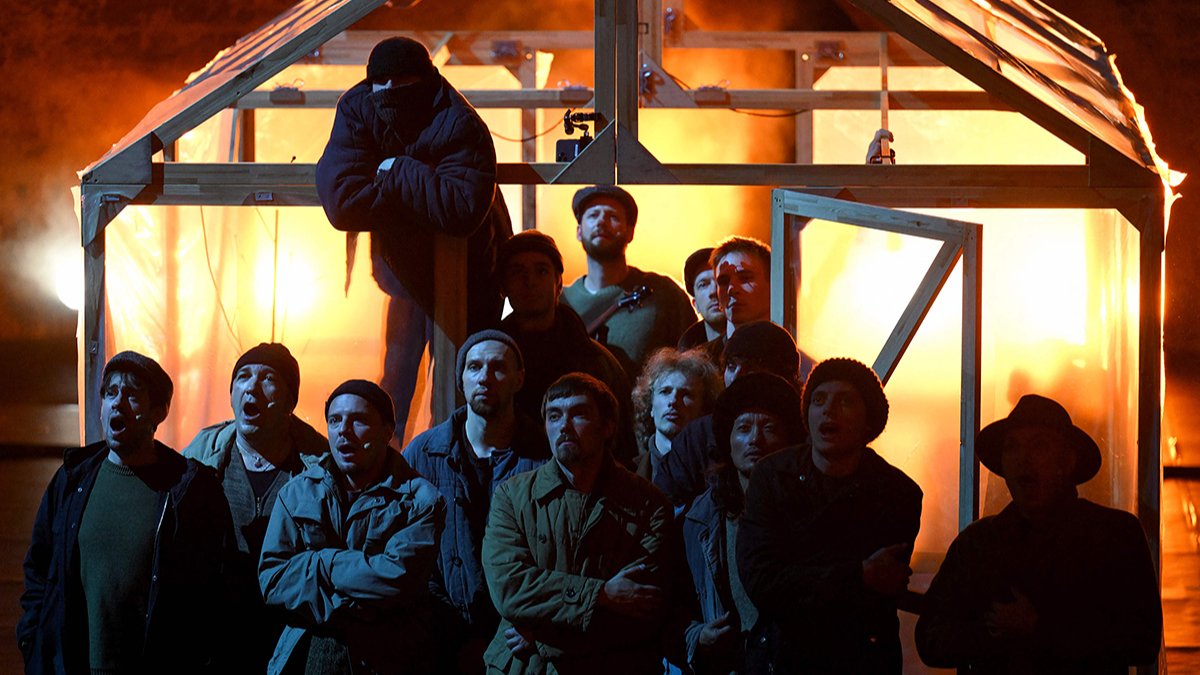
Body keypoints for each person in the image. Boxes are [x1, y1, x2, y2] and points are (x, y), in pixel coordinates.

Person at [315, 36, 512, 443]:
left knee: (460, 387)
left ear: (424, 79)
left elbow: (460, 208)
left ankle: (455, 465)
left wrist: (396, 170)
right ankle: (386, 463)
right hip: (402, 277)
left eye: (401, 80)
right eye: (381, 81)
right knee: (397, 383)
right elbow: (344, 202)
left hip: (468, 278)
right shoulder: (358, 106)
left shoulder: (457, 120)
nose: (389, 90)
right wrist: (422, 189)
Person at [19, 351, 234, 674]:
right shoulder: (72, 480)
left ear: (158, 413)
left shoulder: (189, 490)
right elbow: (39, 568)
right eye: (111, 393)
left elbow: (215, 590)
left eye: (132, 395)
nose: (117, 403)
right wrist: (32, 641)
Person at [915, 394, 1161, 674]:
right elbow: (930, 639)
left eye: (1039, 446)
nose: (1023, 459)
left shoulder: (1115, 536)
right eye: (1012, 448)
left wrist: (1038, 627)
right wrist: (992, 632)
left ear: (1067, 461)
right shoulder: (977, 543)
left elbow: (1143, 640)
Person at [481, 373, 684, 673]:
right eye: (554, 416)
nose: (564, 426)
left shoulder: (648, 505)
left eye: (578, 414)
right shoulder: (513, 496)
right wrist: (602, 594)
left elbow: (643, 610)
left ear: (607, 426)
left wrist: (543, 638)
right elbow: (509, 590)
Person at [737, 357, 922, 674]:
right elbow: (762, 582)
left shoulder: (896, 493)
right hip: (781, 659)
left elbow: (874, 595)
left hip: (860, 661)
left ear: (868, 421)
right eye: (819, 400)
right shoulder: (772, 476)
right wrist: (858, 574)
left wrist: (801, 571)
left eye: (845, 401)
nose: (828, 410)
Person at [259, 380, 445, 675]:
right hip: (307, 655)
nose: (343, 431)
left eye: (358, 420)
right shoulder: (297, 493)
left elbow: (396, 581)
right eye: (335, 420)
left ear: (387, 431)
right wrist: (359, 585)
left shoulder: (419, 500)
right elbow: (273, 580)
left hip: (388, 659)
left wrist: (322, 562)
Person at [402, 330, 549, 673]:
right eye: (475, 367)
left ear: (519, 378)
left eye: (498, 367)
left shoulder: (543, 455)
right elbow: (402, 545)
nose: (485, 377)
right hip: (438, 637)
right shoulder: (423, 455)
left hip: (519, 639)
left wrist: (539, 622)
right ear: (461, 379)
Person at [181, 342, 328, 672]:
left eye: (268, 378)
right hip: (216, 638)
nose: (252, 387)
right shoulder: (198, 457)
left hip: (291, 636)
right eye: (243, 376)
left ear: (290, 401)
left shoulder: (319, 467)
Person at [681, 373, 801, 674]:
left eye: (769, 428)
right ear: (728, 439)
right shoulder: (701, 519)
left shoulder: (807, 510)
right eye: (744, 428)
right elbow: (675, 605)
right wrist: (698, 636)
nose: (755, 440)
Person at [496, 230, 633, 457]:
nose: (530, 281)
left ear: (558, 283)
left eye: (541, 271)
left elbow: (622, 442)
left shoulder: (596, 361)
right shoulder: (490, 361)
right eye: (518, 272)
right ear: (503, 287)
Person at [653, 321, 802, 507]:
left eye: (750, 366)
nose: (736, 376)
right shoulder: (697, 437)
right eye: (731, 366)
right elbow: (665, 505)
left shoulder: (804, 434)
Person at [561, 185, 697, 377]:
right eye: (593, 215)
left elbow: (693, 364)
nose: (601, 221)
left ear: (630, 232)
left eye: (613, 216)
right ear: (578, 231)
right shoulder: (561, 301)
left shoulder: (665, 294)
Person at [631, 347, 721, 482]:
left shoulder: (717, 477)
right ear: (650, 405)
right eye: (665, 391)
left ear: (704, 407)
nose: (673, 401)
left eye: (686, 394)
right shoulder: (629, 473)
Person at [677, 247, 725, 353]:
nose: (713, 291)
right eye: (703, 285)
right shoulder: (684, 359)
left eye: (720, 281)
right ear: (695, 305)